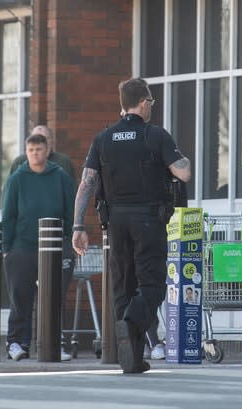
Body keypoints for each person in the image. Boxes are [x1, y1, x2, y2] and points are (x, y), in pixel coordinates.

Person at [72, 77, 191, 373]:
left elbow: (87, 183)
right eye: (151, 102)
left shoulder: (103, 138)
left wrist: (77, 226)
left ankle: (132, 360)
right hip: (148, 220)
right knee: (151, 284)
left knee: (123, 287)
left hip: (115, 223)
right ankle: (133, 321)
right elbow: (183, 173)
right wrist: (182, 159)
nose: (151, 107)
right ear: (144, 103)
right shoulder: (156, 135)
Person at [2, 133, 74, 362]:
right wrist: (7, 248)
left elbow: (70, 212)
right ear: (26, 151)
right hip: (22, 247)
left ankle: (55, 343)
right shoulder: (17, 179)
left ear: (47, 149)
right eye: (31, 149)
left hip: (54, 248)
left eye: (39, 149)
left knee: (54, 297)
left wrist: (70, 240)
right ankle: (15, 342)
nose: (35, 153)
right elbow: (8, 215)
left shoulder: (60, 177)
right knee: (20, 297)